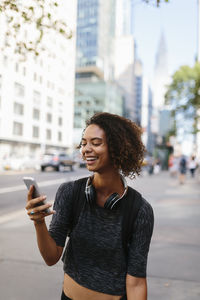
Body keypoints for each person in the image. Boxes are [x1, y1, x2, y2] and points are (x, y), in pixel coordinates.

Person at [25, 112, 154, 300]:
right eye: (84, 143)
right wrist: (38, 223)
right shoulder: (70, 192)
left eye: (95, 143)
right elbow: (51, 257)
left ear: (118, 148)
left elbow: (136, 281)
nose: (86, 149)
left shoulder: (140, 210)